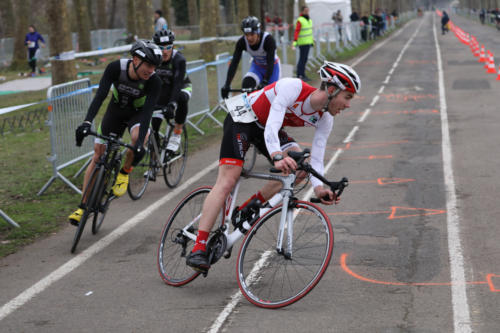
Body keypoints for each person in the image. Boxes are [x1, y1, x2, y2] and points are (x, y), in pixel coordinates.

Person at [185, 61, 361, 272]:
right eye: (347, 97)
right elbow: (273, 123)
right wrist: (277, 156)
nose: (348, 104)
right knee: (228, 179)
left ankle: (250, 206)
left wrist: (320, 188)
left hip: (266, 129)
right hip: (243, 118)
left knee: (301, 168)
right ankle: (198, 247)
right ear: (332, 90)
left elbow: (317, 159)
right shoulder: (293, 87)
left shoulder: (325, 119)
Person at [68, 40, 163, 225]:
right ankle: (82, 207)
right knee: (97, 155)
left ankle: (125, 172)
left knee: (138, 139)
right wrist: (87, 122)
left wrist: (138, 147)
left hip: (138, 115)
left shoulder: (154, 81)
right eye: (149, 65)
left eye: (155, 67)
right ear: (135, 60)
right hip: (116, 111)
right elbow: (101, 96)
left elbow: (147, 114)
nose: (152, 70)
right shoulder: (115, 68)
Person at [151, 29, 192, 157]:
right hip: (163, 91)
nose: (164, 51)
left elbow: (178, 84)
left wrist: (172, 104)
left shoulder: (179, 59)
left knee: (181, 98)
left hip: (181, 87)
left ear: (173, 46)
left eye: (168, 47)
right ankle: (154, 161)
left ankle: (177, 132)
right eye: (161, 47)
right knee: (154, 127)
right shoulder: (153, 58)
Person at [221, 16, 281, 99]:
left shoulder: (268, 40)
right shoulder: (242, 42)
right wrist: (227, 84)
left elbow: (270, 62)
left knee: (270, 96)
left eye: (252, 34)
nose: (249, 38)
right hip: (257, 67)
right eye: (246, 35)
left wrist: (265, 81)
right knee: (247, 85)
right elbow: (234, 63)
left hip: (272, 68)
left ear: (258, 32)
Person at [293, 6, 314, 82]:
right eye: (305, 11)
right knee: (302, 59)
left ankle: (303, 74)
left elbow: (309, 32)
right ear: (302, 11)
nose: (307, 12)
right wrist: (294, 42)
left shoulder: (309, 20)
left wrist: (311, 42)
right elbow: (296, 31)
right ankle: (299, 75)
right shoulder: (300, 20)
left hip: (308, 42)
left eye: (308, 10)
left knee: (305, 59)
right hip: (302, 43)